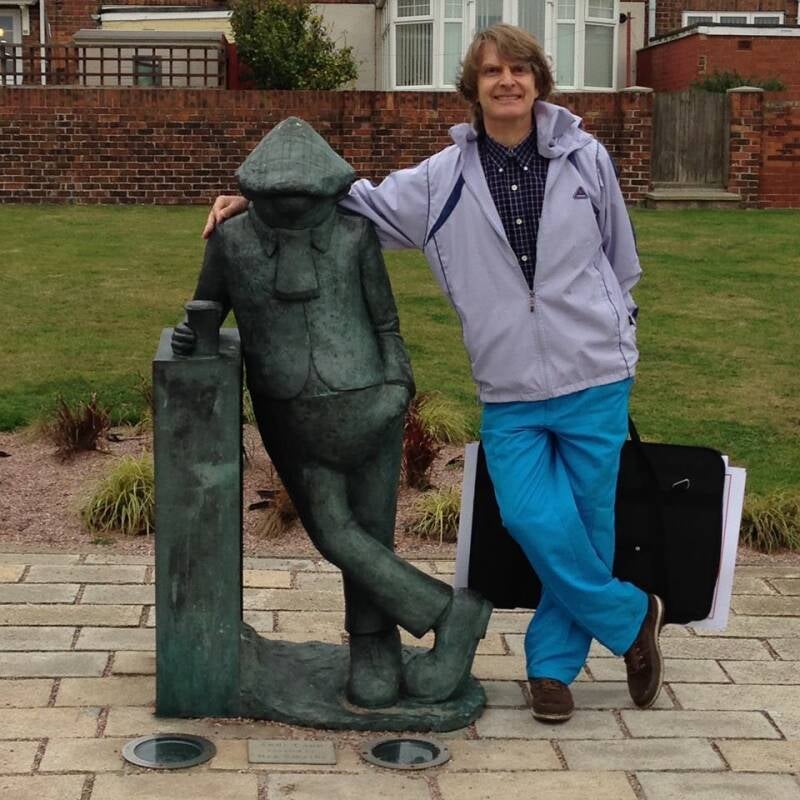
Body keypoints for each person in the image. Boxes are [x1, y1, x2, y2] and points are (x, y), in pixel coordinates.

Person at [204, 23, 664, 724]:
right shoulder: (442, 179)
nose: (506, 81)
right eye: (492, 71)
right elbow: (358, 202)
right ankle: (631, 617)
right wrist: (259, 204)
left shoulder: (585, 158)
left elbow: (619, 256)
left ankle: (551, 668)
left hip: (594, 372)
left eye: (518, 70)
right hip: (508, 384)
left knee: (586, 526)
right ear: (473, 88)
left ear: (538, 81)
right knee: (532, 518)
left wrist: (615, 325)